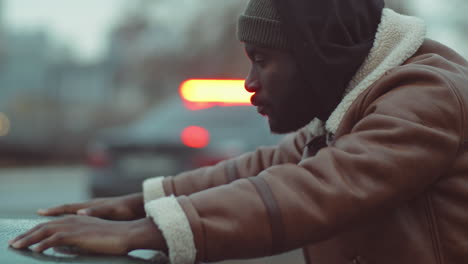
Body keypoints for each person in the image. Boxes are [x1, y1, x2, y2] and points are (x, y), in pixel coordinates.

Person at [9, 0, 468, 263]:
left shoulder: (426, 95)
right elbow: (268, 165)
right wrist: (139, 203)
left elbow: (326, 186)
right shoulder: (356, 106)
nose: (249, 81)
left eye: (262, 59)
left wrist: (146, 232)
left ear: (318, 56)